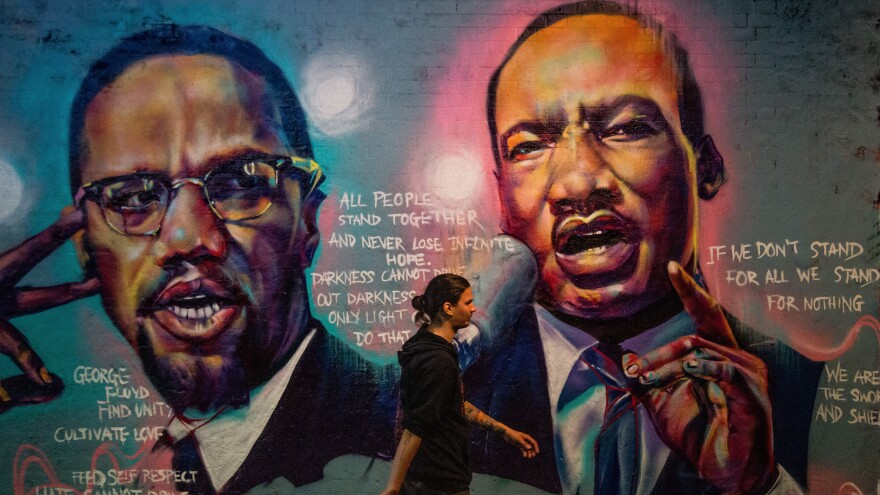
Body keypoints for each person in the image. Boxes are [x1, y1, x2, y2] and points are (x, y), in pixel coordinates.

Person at [0, 25, 395, 494]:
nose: (188, 238)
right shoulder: (161, 465)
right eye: (132, 197)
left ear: (307, 224)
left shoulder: (408, 434)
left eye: (244, 181)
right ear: (85, 246)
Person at [461, 2, 823, 494]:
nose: (578, 182)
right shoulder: (446, 389)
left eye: (628, 128)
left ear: (707, 166)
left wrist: (759, 487)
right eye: (528, 146)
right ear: (500, 193)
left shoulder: (805, 390)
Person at [381, 274, 540, 495]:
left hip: (428, 479)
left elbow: (451, 404)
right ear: (448, 308)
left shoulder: (424, 345)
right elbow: (414, 429)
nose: (474, 309)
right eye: (468, 302)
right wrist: (393, 488)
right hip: (440, 483)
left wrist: (504, 431)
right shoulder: (438, 361)